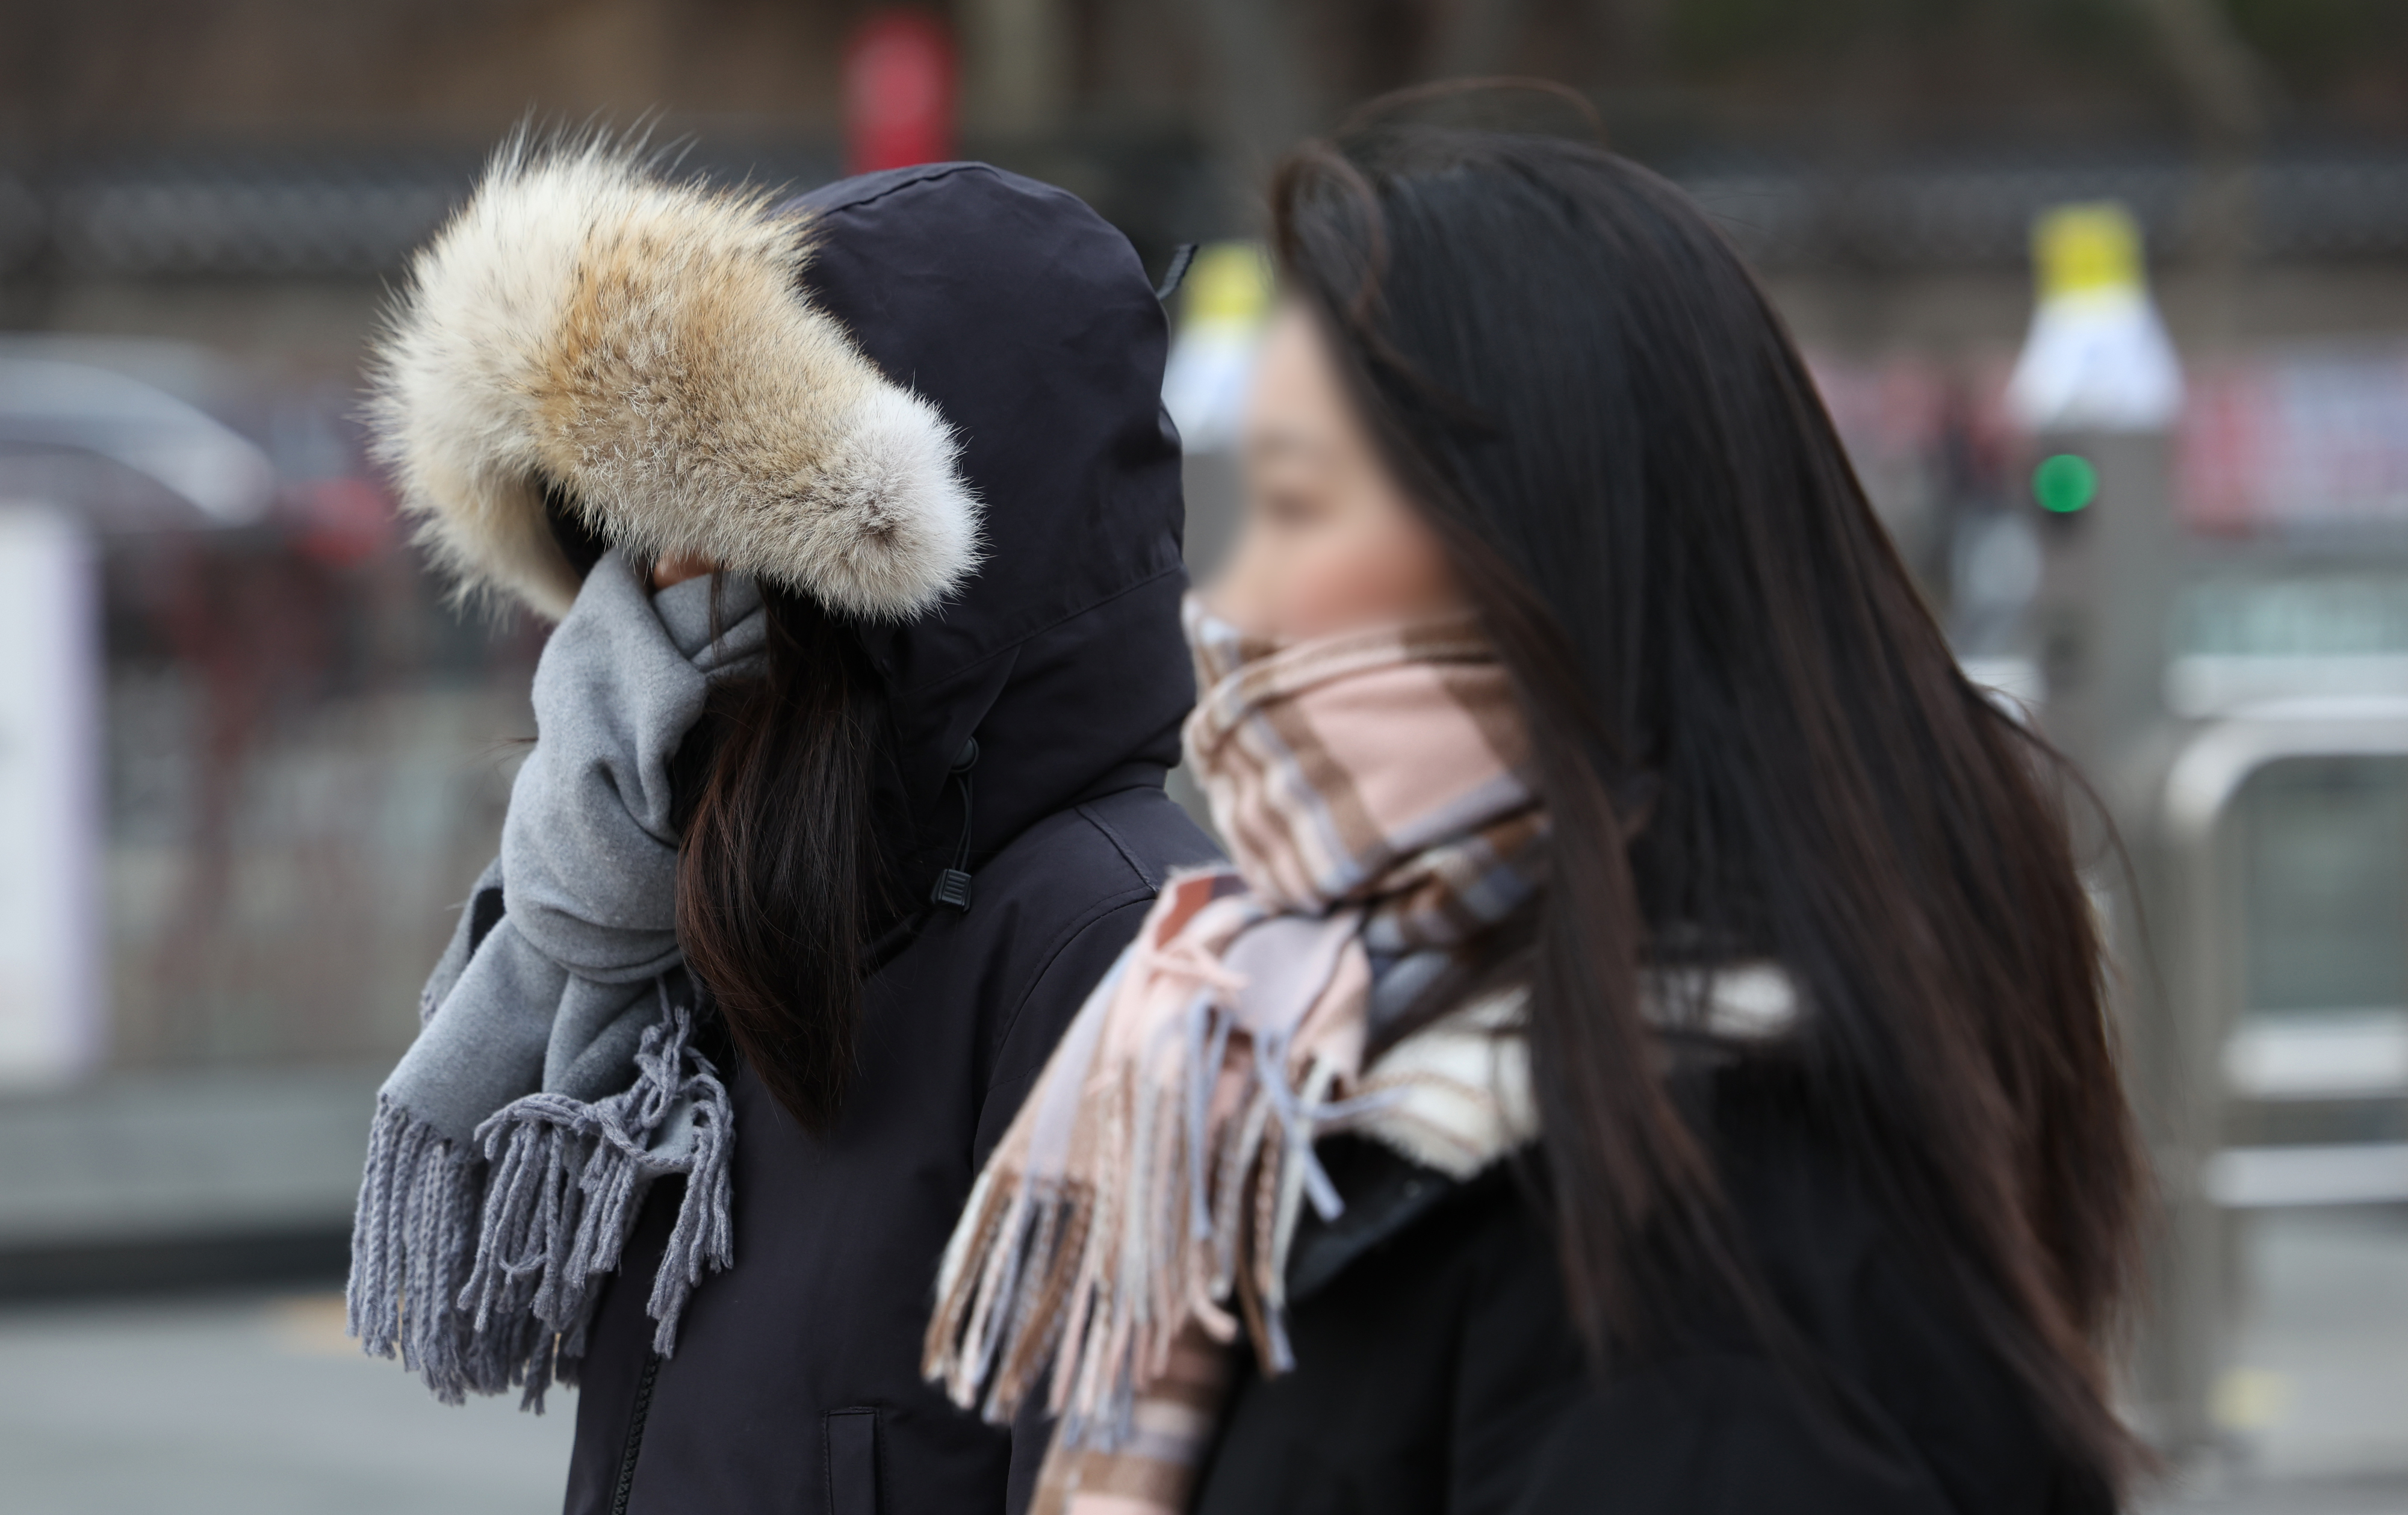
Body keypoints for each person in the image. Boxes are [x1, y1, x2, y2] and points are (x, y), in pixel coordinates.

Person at [927, 99, 2144, 1514]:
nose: (1227, 609)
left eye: (1299, 505)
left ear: (1533, 550)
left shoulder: (1705, 1228)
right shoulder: (1319, 1043)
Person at [348, 140, 1217, 1515]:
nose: (647, 598)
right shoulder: (712, 917)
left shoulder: (1117, 948)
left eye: (712, 528)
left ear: (888, 580)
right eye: (629, 533)